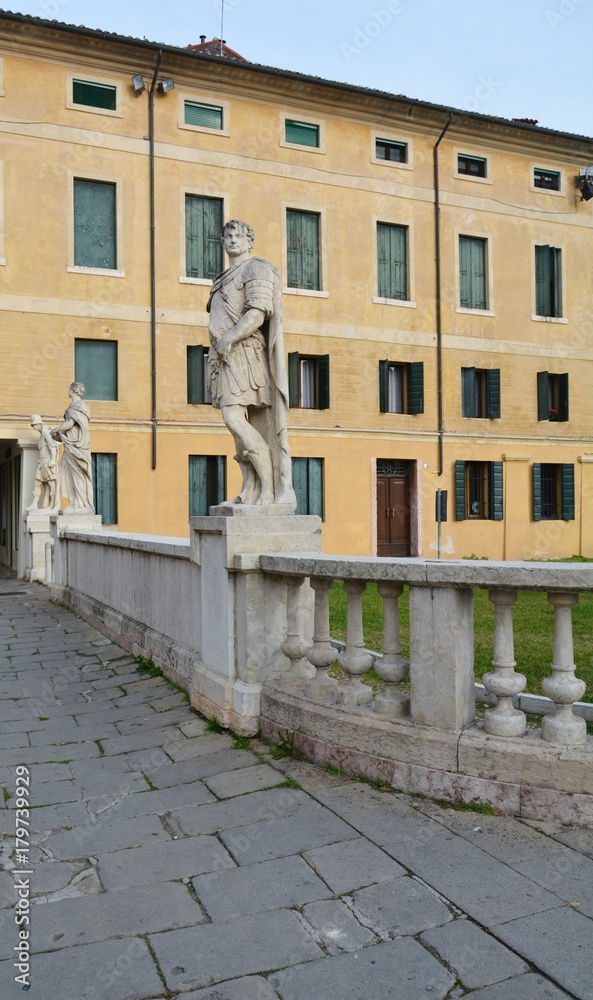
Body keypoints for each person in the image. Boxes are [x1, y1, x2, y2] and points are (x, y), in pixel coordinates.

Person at [207, 220, 296, 508]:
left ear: (249, 241)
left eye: (238, 236)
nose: (232, 240)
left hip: (245, 354)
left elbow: (257, 313)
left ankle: (268, 489)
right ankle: (250, 489)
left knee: (233, 418)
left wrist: (228, 338)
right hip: (224, 358)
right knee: (235, 427)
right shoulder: (222, 277)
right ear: (222, 242)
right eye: (228, 236)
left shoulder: (257, 268)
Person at [51, 382, 94, 513]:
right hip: (71, 444)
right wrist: (59, 435)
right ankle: (76, 503)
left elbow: (70, 423)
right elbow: (70, 428)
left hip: (78, 445)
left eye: (69, 388)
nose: (67, 390)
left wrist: (56, 429)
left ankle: (81, 505)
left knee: (78, 474)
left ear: (73, 390)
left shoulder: (80, 406)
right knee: (70, 473)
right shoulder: (74, 406)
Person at [27, 416, 59, 511]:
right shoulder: (42, 434)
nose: (34, 428)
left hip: (48, 462)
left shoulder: (46, 432)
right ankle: (35, 504)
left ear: (40, 424)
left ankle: (51, 505)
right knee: (38, 482)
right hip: (42, 463)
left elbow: (52, 445)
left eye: (35, 425)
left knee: (51, 484)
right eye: (33, 426)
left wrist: (53, 460)